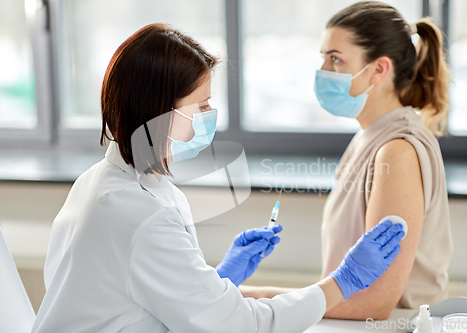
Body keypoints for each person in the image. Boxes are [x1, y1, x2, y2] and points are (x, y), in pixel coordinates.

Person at [31, 23, 405, 333]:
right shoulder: (138, 214)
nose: (211, 114)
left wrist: (219, 276)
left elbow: (135, 291)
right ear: (158, 112)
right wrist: (343, 281)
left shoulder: (107, 181)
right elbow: (241, 326)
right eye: (202, 105)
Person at [240, 1, 453, 320]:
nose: (323, 71)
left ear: (379, 69)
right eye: (323, 57)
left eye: (336, 59)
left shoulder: (397, 150)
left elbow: (375, 302)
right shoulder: (370, 135)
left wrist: (251, 296)